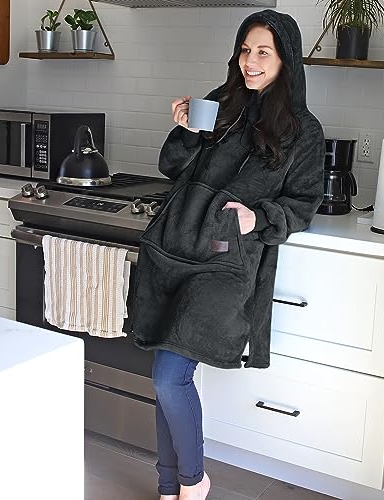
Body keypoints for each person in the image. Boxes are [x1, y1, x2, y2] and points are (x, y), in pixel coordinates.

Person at [131, 9, 325, 500]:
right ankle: (168, 488)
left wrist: (256, 219)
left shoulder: (302, 130)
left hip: (224, 256)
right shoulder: (219, 104)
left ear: (286, 60)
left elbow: (303, 204)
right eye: (245, 50)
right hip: (175, 245)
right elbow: (171, 166)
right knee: (165, 374)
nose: (250, 61)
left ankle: (193, 482)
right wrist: (185, 130)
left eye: (263, 52)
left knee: (170, 376)